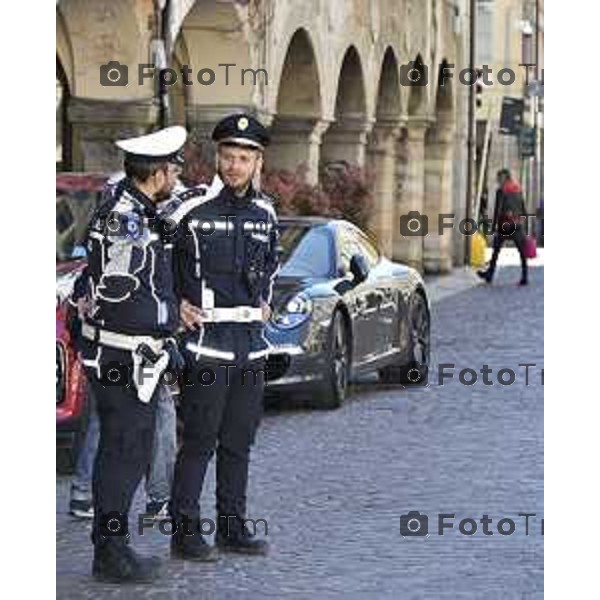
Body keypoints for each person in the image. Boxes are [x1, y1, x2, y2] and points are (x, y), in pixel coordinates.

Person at [72, 125, 187, 583]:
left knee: (122, 450)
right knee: (123, 453)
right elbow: (125, 296)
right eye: (174, 168)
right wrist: (165, 329)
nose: (177, 175)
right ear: (158, 173)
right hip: (123, 357)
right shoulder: (127, 217)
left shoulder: (132, 209)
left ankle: (112, 546)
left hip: (125, 354)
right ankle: (111, 553)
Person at [168, 113, 279, 561]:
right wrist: (174, 303)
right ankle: (186, 532)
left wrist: (266, 301)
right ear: (217, 158)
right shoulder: (189, 208)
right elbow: (152, 257)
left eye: (244, 158)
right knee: (199, 440)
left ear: (257, 162)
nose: (235, 165)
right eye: (229, 156)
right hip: (206, 346)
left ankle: (232, 527)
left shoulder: (265, 213)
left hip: (251, 346)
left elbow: (270, 265)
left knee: (239, 442)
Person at [68, 383, 176, 520]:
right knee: (159, 409)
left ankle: (83, 493)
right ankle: (160, 498)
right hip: (145, 364)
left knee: (105, 412)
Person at [477, 169, 529, 286]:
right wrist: (523, 220)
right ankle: (525, 277)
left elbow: (498, 209)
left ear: (504, 178)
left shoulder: (501, 191)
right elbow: (523, 206)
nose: (497, 180)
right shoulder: (518, 189)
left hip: (505, 225)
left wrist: (494, 226)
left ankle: (489, 275)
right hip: (517, 224)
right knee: (522, 252)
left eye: (499, 178)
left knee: (496, 251)